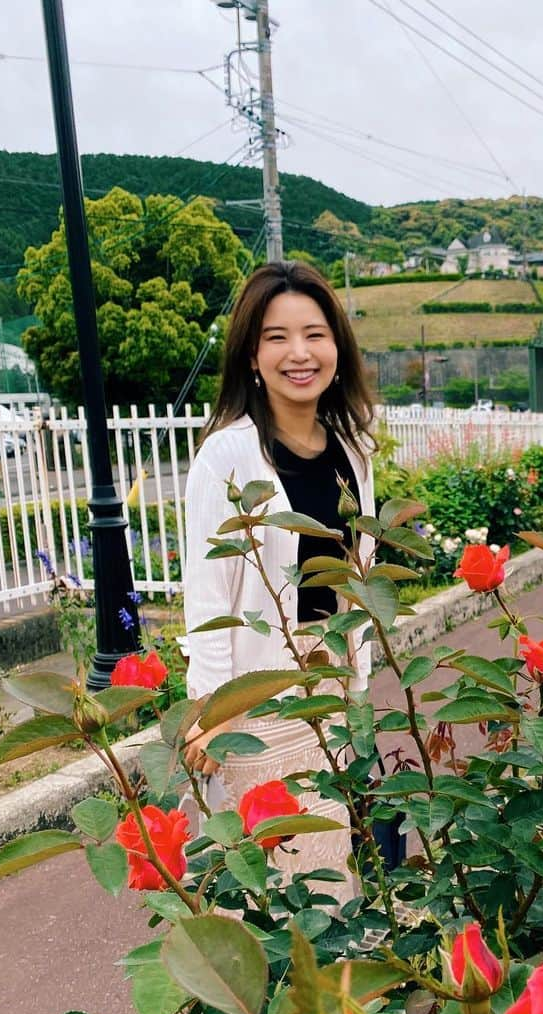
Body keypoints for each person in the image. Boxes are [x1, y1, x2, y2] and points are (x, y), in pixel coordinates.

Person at [181, 259, 376, 893]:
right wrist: (212, 711)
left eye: (315, 334)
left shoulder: (353, 448)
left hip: (331, 688)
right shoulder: (228, 456)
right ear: (251, 357)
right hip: (258, 691)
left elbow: (359, 575)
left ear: (337, 349)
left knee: (329, 865)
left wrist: (357, 687)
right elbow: (207, 596)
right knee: (269, 880)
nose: (299, 352)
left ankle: (332, 990)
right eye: (276, 337)